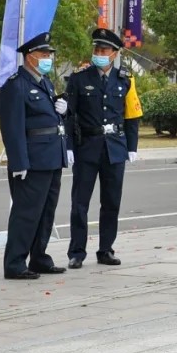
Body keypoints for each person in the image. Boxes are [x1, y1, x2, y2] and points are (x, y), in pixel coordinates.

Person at [64, 28, 143, 268]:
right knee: (80, 203)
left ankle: (106, 249)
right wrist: (68, 146)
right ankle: (77, 252)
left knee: (111, 202)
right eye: (96, 49)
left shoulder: (125, 79)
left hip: (115, 148)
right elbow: (69, 115)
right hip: (86, 146)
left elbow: (132, 116)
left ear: (114, 53)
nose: (99, 53)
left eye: (104, 50)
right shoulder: (79, 78)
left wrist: (132, 146)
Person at [0, 32, 68, 280]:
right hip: (32, 160)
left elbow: (49, 119)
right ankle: (15, 263)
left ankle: (39, 258)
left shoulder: (45, 82)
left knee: (46, 212)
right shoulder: (16, 85)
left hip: (52, 156)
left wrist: (64, 113)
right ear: (30, 57)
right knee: (26, 213)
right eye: (44, 54)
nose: (48, 58)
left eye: (49, 54)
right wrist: (18, 161)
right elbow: (12, 127)